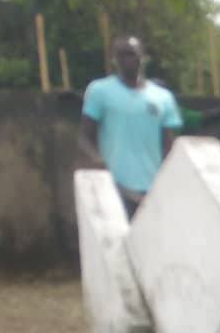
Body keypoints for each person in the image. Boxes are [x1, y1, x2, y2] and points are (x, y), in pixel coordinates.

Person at [79, 36, 184, 212]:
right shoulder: (99, 91)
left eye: (132, 54)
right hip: (115, 189)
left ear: (143, 57)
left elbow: (168, 144)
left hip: (152, 190)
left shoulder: (163, 97)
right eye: (121, 55)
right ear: (114, 60)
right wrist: (98, 162)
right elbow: (84, 137)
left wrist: (169, 181)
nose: (127, 59)